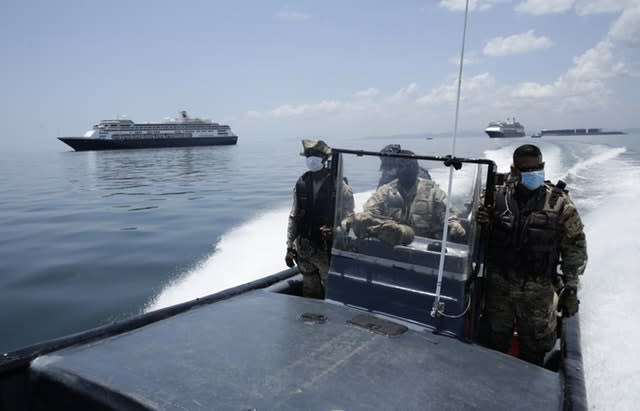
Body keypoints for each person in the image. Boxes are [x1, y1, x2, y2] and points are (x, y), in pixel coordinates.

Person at [477, 144, 588, 366]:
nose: (534, 173)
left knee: (534, 352)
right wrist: (481, 222)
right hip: (499, 288)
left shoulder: (559, 204)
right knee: (493, 346)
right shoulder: (495, 197)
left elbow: (574, 249)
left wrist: (571, 287)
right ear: (514, 170)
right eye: (527, 169)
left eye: (539, 167)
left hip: (538, 291)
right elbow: (475, 235)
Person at [285, 139, 354, 299]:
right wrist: (290, 247)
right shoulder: (301, 183)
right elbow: (294, 217)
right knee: (309, 288)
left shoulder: (339, 187)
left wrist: (336, 231)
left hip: (327, 249)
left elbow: (350, 216)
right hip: (304, 249)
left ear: (324, 158)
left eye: (315, 155)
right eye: (308, 155)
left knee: (332, 289)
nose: (311, 159)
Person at [353, 150, 466, 245]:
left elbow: (448, 214)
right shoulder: (385, 191)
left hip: (423, 246)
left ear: (416, 168)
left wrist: (454, 225)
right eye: (402, 166)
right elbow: (370, 211)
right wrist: (375, 223)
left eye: (409, 166)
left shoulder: (433, 192)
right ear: (397, 170)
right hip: (391, 244)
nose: (406, 169)